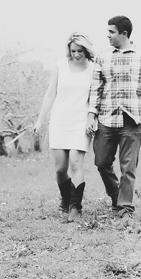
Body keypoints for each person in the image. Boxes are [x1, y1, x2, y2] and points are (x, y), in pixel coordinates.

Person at [87, 15, 141, 218]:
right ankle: (116, 196)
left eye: (111, 32)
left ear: (124, 33)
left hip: (132, 119)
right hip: (106, 118)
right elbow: (96, 89)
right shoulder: (102, 57)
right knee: (101, 162)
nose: (108, 36)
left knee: (128, 166)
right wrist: (91, 115)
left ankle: (124, 207)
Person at [33, 32, 96, 220]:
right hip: (60, 120)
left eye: (80, 51)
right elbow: (50, 94)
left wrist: (92, 119)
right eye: (73, 51)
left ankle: (76, 207)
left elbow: (96, 98)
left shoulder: (94, 69)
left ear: (86, 50)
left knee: (76, 163)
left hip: (81, 122)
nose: (76, 54)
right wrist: (40, 120)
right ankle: (66, 198)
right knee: (60, 169)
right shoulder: (60, 66)